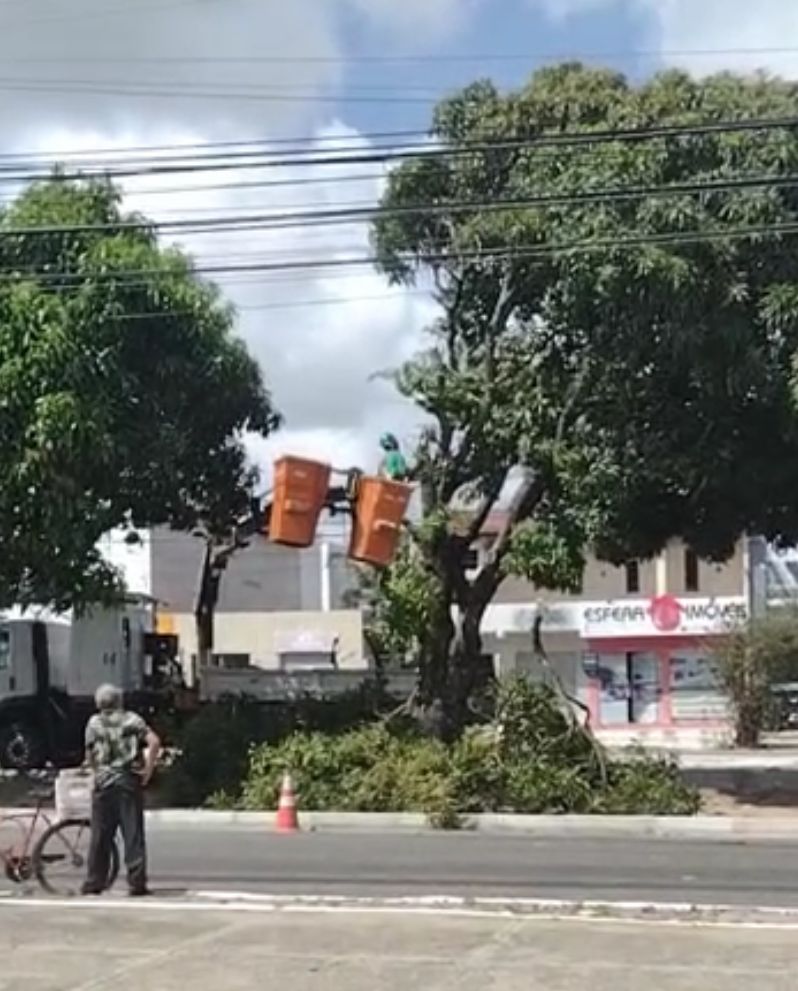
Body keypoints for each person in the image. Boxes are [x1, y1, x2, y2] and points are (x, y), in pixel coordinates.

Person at [81, 684, 161, 897]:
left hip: (104, 783)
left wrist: (96, 772)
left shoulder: (94, 723)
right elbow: (154, 741)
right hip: (127, 781)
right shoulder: (132, 720)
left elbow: (89, 753)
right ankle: (136, 882)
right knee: (132, 834)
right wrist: (148, 769)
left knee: (100, 835)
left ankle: (94, 881)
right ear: (120, 701)